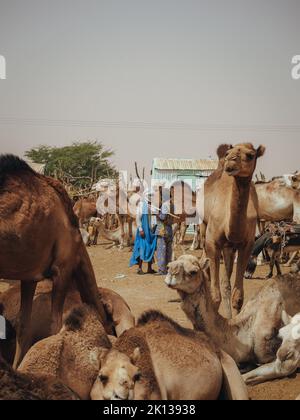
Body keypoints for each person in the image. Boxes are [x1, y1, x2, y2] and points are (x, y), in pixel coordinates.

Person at [130, 190, 157, 275]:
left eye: (152, 195)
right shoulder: (141, 205)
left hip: (151, 231)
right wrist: (141, 229)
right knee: (142, 247)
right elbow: (138, 218)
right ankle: (139, 268)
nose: (151, 196)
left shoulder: (152, 206)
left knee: (151, 248)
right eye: (149, 195)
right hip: (144, 230)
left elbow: (154, 218)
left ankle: (149, 268)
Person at [155, 199, 174, 276]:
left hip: (162, 228)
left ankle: (162, 270)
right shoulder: (172, 205)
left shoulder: (164, 205)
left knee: (161, 250)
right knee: (169, 250)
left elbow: (162, 217)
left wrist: (156, 214)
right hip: (169, 228)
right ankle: (168, 268)